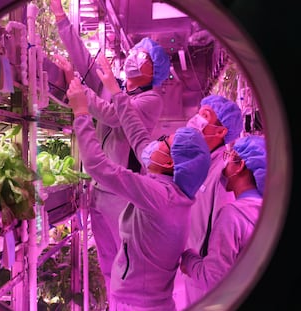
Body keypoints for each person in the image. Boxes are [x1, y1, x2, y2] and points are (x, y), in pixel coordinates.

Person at [65, 52, 211, 310]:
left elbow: (99, 166)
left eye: (166, 143)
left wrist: (81, 113)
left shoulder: (158, 196)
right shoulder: (172, 189)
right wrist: (114, 89)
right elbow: (138, 135)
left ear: (168, 163)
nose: (159, 141)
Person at [50, 0, 171, 298]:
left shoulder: (150, 100)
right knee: (106, 262)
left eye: (142, 56)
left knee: (125, 263)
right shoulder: (113, 85)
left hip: (122, 194)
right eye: (136, 51)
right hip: (98, 192)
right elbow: (83, 59)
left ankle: (129, 304)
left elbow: (113, 115)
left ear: (152, 70)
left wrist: (79, 90)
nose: (134, 57)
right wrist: (60, 16)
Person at [174, 94, 244, 308]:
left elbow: (224, 240)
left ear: (222, 132)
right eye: (198, 113)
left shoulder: (224, 172)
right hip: (189, 268)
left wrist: (198, 267)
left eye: (205, 115)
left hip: (205, 278)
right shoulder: (200, 163)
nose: (196, 120)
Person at [179, 135, 266, 302]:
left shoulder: (233, 215)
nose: (224, 166)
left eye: (229, 157)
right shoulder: (265, 209)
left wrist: (189, 259)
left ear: (240, 166)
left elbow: (212, 279)